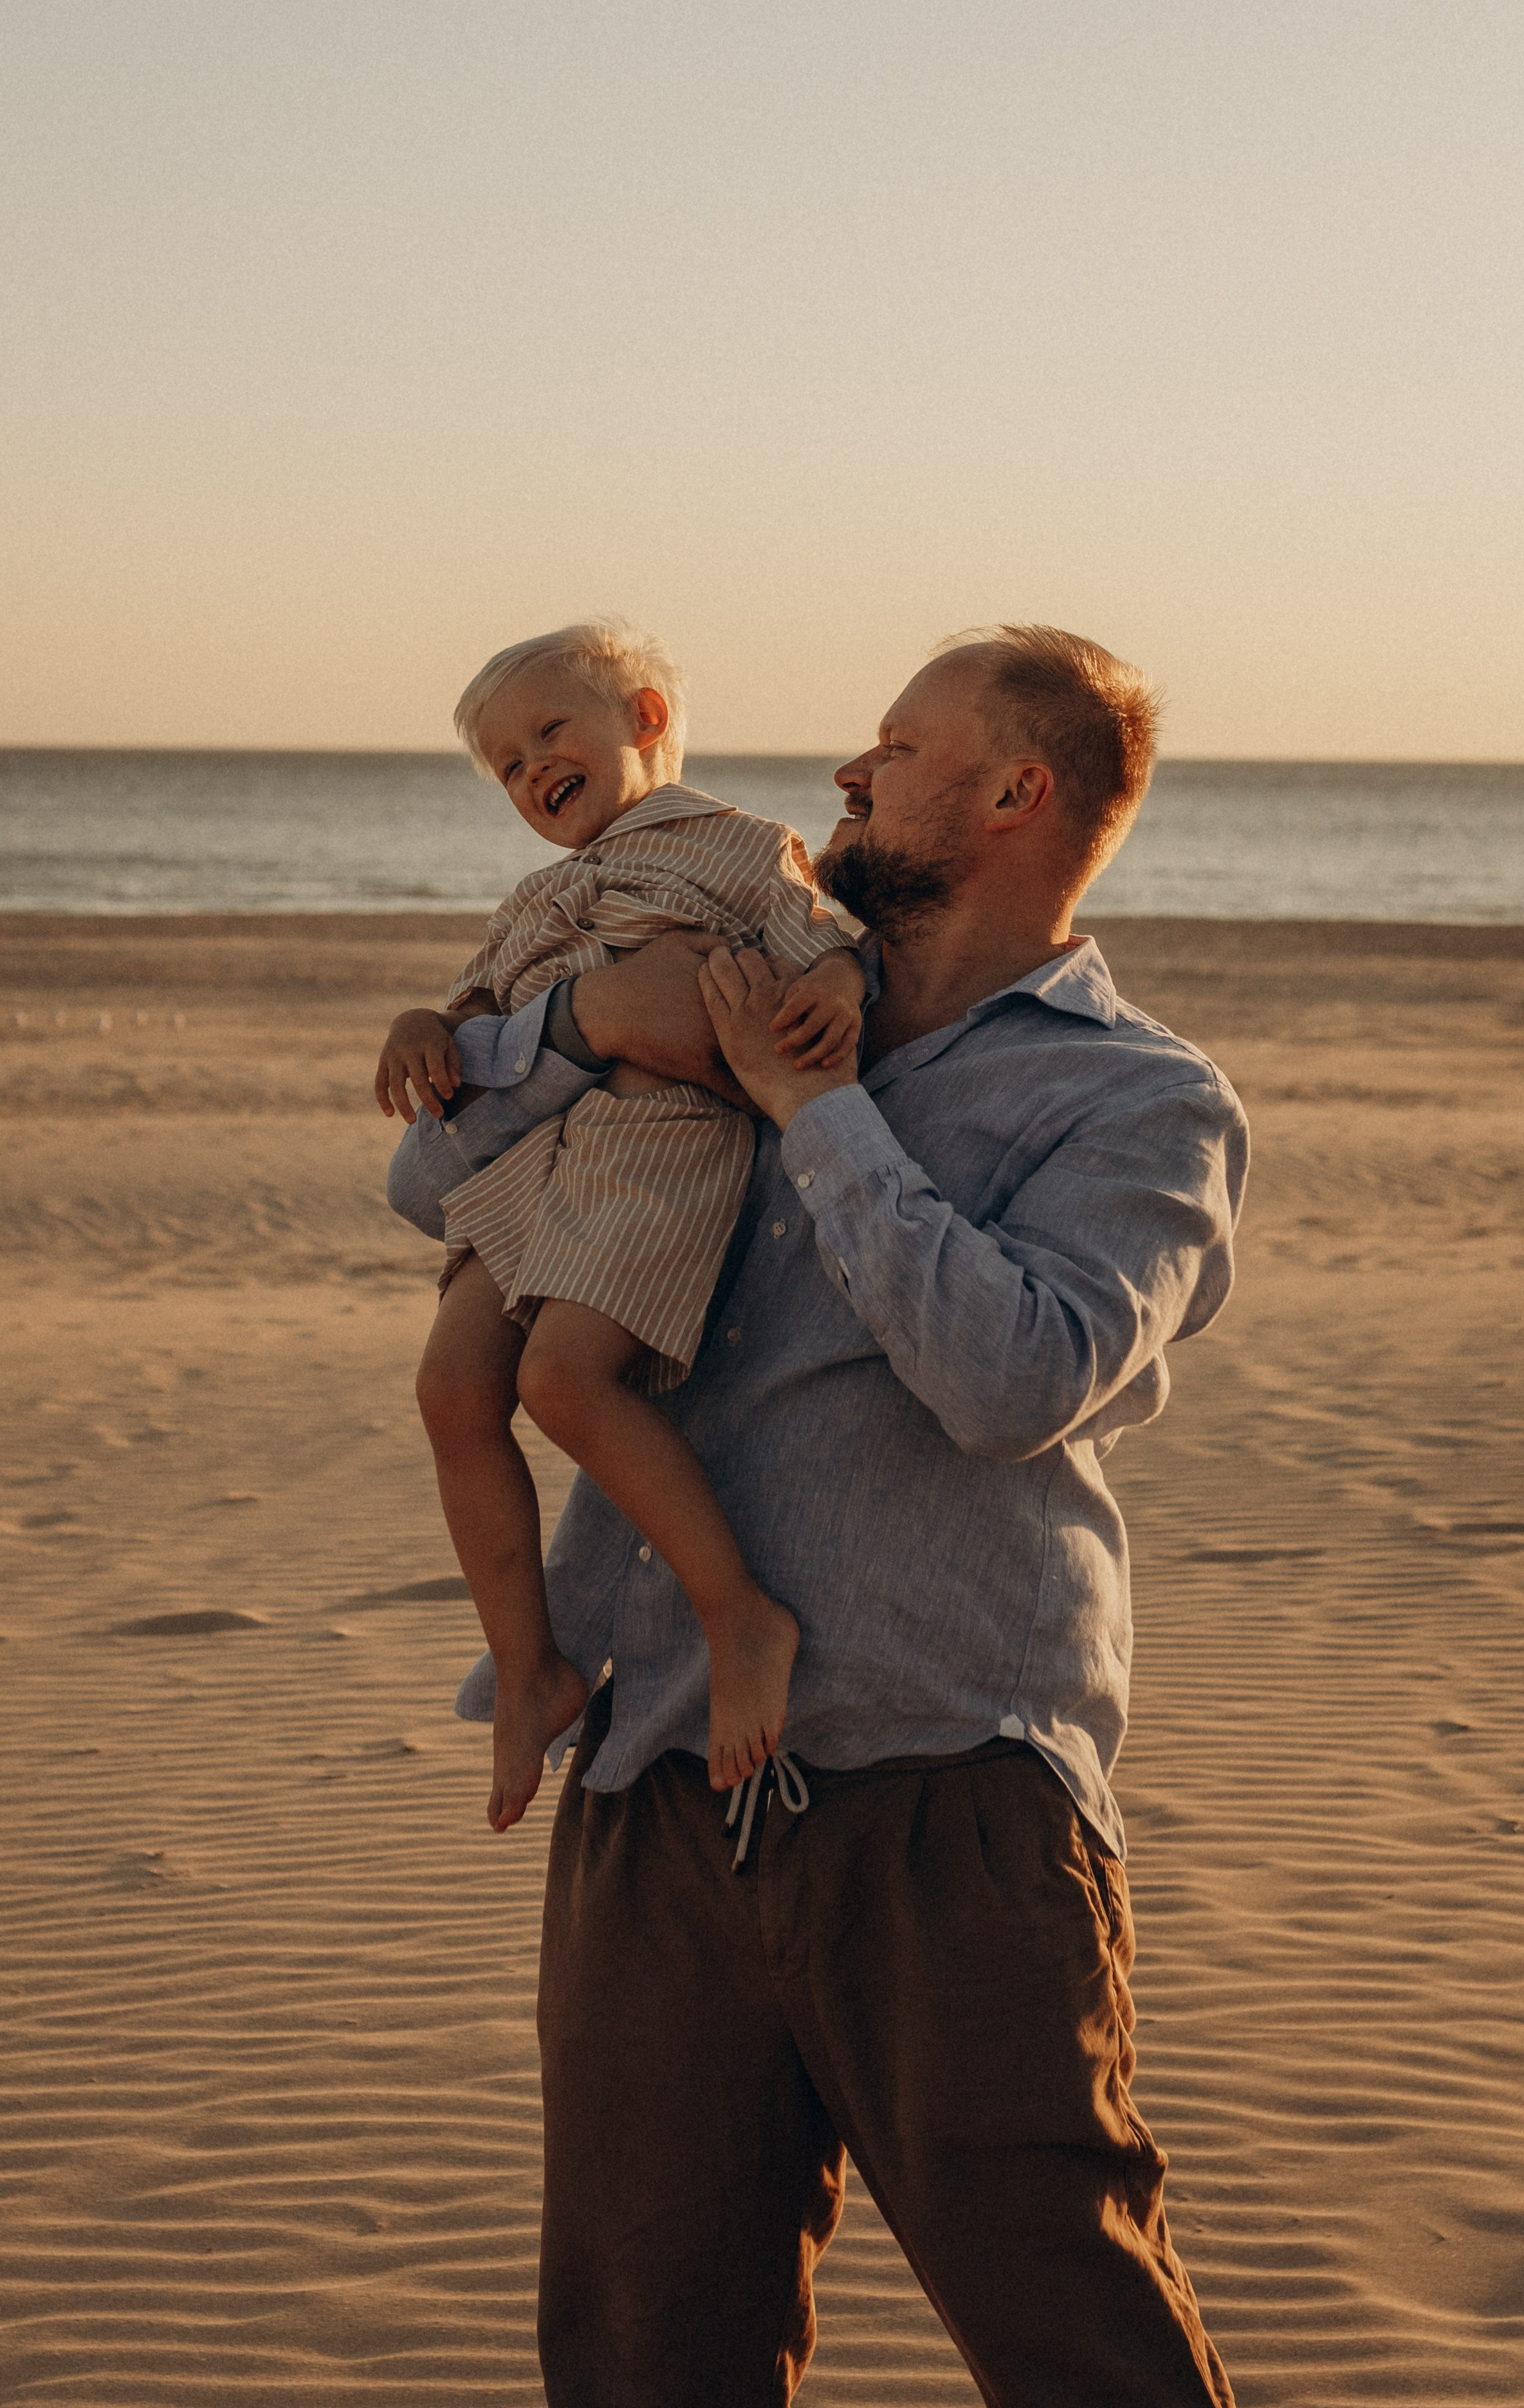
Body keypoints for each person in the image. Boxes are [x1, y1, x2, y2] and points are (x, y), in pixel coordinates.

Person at [387, 623, 1246, 2405]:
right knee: (641, 2357)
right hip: (654, 1790)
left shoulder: (1136, 1098)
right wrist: (561, 1026)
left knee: (1078, 2341)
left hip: (943, 1801)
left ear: (1016, 793)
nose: (845, 773)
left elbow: (1019, 1379)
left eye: (896, 746)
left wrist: (827, 1115)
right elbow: (427, 1177)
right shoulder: (714, 982)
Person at [375, 620, 865, 1834]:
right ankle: (530, 1665)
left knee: (563, 1379)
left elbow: (837, 947)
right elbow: (478, 1008)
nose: (531, 768)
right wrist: (420, 1024)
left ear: (644, 720)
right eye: (506, 765)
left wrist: (840, 990)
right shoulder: (537, 896)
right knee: (448, 1387)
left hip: (656, 1155)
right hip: (532, 1171)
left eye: (551, 731)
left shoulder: (743, 849)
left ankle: (735, 1609)